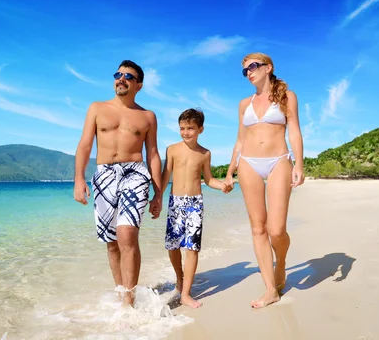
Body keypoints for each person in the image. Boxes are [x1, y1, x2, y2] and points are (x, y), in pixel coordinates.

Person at [73, 60, 163, 307]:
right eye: (118, 74)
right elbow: (84, 145)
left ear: (139, 85)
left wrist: (158, 194)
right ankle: (121, 291)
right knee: (111, 242)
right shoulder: (97, 108)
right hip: (104, 174)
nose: (121, 79)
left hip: (135, 173)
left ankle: (128, 303)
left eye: (128, 76)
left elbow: (153, 154)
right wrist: (79, 178)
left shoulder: (147, 116)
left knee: (127, 235)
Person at [223, 52, 305, 309]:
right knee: (258, 227)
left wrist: (299, 164)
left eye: (253, 67)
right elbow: (239, 139)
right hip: (248, 163)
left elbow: (294, 131)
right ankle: (270, 289)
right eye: (245, 70)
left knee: (276, 230)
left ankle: (280, 262)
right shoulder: (243, 104)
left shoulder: (286, 97)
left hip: (279, 160)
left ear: (268, 67)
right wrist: (230, 170)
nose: (249, 72)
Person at [161, 108, 232, 308]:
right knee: (173, 246)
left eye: (190, 128)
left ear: (200, 129)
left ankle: (186, 293)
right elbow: (166, 175)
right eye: (182, 128)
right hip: (175, 202)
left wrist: (222, 185)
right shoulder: (172, 149)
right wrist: (157, 197)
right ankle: (179, 277)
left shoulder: (204, 154)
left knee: (192, 248)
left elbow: (208, 179)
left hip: (194, 204)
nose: (185, 132)